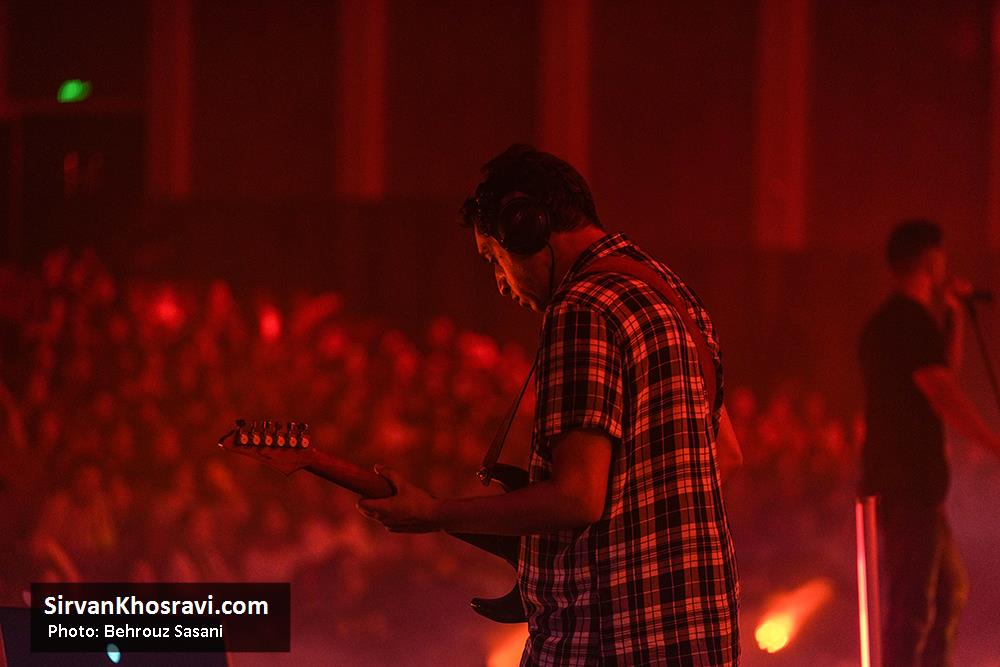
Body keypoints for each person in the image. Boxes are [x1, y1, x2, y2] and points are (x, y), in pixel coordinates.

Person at [358, 144, 741, 665]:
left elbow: (577, 498)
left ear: (526, 227)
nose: (499, 282)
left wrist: (434, 513)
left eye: (493, 259)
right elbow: (727, 455)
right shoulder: (672, 293)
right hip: (702, 634)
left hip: (608, 640)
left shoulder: (581, 308)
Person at [858, 219, 1000, 666]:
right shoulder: (907, 320)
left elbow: (942, 373)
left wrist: (954, 314)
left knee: (947, 591)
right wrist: (993, 443)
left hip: (914, 485)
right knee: (913, 606)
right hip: (907, 484)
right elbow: (942, 391)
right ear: (929, 259)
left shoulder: (895, 322)